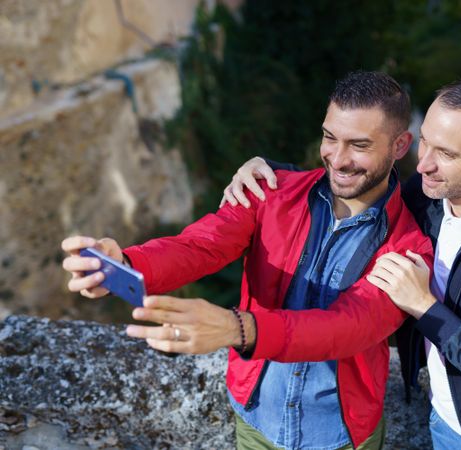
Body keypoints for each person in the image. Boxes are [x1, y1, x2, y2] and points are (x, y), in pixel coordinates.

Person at [61, 71, 433, 450]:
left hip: (341, 435)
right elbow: (201, 245)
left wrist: (238, 329)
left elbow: (348, 327)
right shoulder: (270, 190)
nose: (337, 158)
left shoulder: (410, 247)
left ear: (400, 145)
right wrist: (125, 262)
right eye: (329, 137)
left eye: (359, 145)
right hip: (256, 420)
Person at [221, 75, 461, 450]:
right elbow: (357, 186)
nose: (423, 164)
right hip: (444, 422)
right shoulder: (429, 197)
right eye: (424, 140)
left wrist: (425, 308)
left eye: (447, 153)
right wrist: (269, 170)